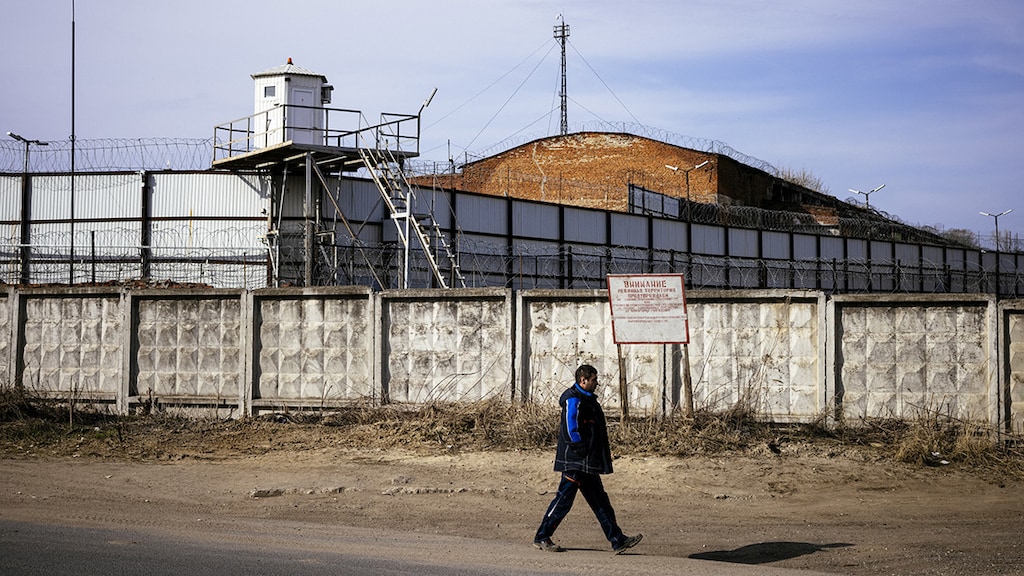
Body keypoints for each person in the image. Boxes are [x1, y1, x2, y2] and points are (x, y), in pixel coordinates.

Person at [533, 364, 643, 555]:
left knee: (601, 502)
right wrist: (580, 449)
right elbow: (570, 428)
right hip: (575, 462)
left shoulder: (589, 401)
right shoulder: (573, 399)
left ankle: (617, 540)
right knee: (563, 501)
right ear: (583, 380)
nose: (596, 383)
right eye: (593, 380)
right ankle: (542, 536)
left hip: (587, 463)